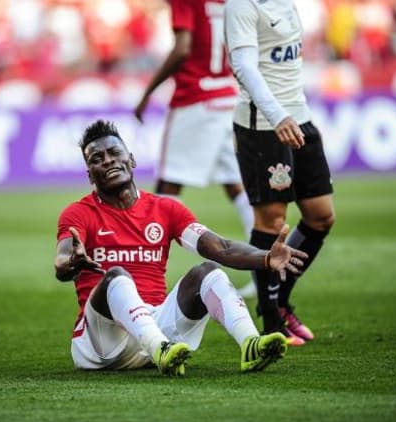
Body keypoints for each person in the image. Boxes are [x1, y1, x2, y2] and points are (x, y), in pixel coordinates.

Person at [54, 120, 308, 376]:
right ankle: (160, 348)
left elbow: (221, 248)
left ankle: (250, 343)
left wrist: (266, 258)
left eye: (114, 153)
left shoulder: (164, 209)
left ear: (131, 159)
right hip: (102, 344)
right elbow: (62, 259)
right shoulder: (77, 214)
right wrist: (69, 263)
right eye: (97, 159)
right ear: (90, 175)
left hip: (153, 327)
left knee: (209, 272)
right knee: (116, 276)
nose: (108, 161)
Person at [224, 0, 336, 346]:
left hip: (298, 115)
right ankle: (271, 318)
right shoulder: (241, 5)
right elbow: (243, 65)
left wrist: (291, 113)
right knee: (271, 220)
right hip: (263, 125)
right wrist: (277, 116)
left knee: (321, 216)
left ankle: (281, 301)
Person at [133, 0, 255, 249]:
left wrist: (148, 91)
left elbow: (182, 48)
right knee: (236, 186)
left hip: (194, 99)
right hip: (226, 96)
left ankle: (146, 269)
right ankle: (265, 274)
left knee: (167, 187)